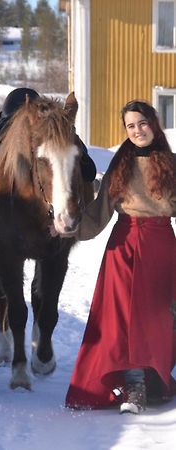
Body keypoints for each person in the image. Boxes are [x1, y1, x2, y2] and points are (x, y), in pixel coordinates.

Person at [64, 100, 176, 414]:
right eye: (130, 126)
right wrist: (68, 227)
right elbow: (99, 212)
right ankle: (134, 388)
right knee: (123, 322)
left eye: (142, 123)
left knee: (159, 320)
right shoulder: (120, 165)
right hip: (123, 248)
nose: (137, 130)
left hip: (161, 250)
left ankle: (154, 380)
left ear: (153, 123)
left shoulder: (172, 164)